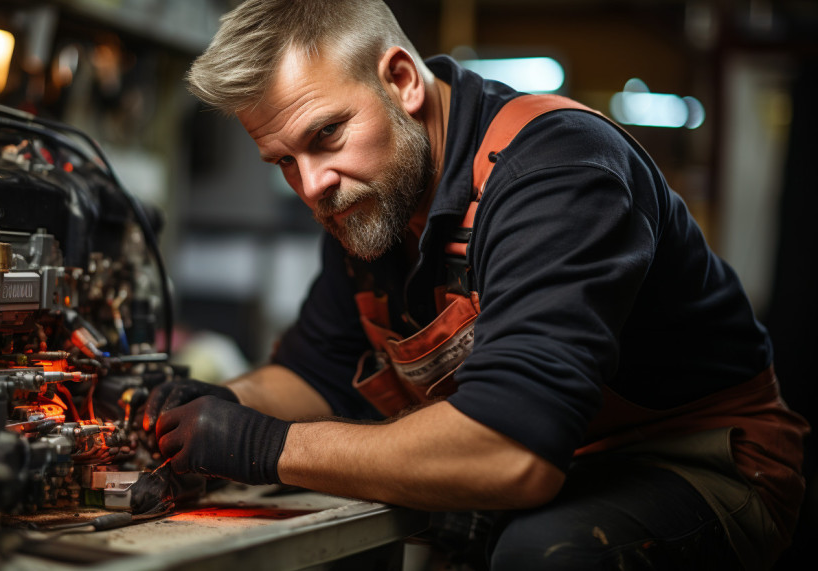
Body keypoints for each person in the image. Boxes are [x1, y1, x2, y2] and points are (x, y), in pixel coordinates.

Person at [144, 1, 810, 568]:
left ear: (401, 79)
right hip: (559, 458)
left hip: (701, 462)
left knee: (545, 552)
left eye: (326, 134)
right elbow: (317, 376)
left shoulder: (556, 172)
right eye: (284, 160)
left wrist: (258, 444)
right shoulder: (368, 205)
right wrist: (205, 406)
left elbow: (511, 452)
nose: (312, 183)